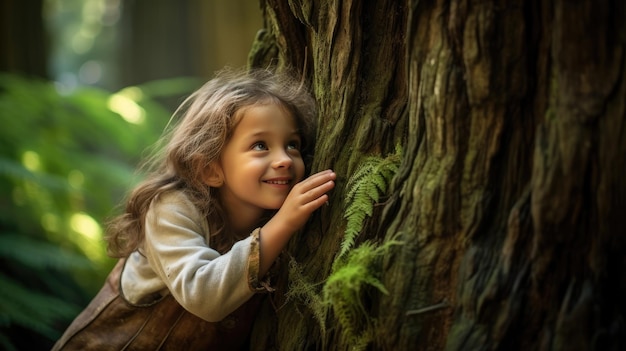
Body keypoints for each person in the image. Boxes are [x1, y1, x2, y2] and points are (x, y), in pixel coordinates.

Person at [52, 67, 336, 350]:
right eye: (261, 145)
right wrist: (283, 224)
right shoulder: (170, 209)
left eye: (292, 144)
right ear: (210, 168)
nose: (284, 159)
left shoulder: (270, 214)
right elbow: (203, 295)